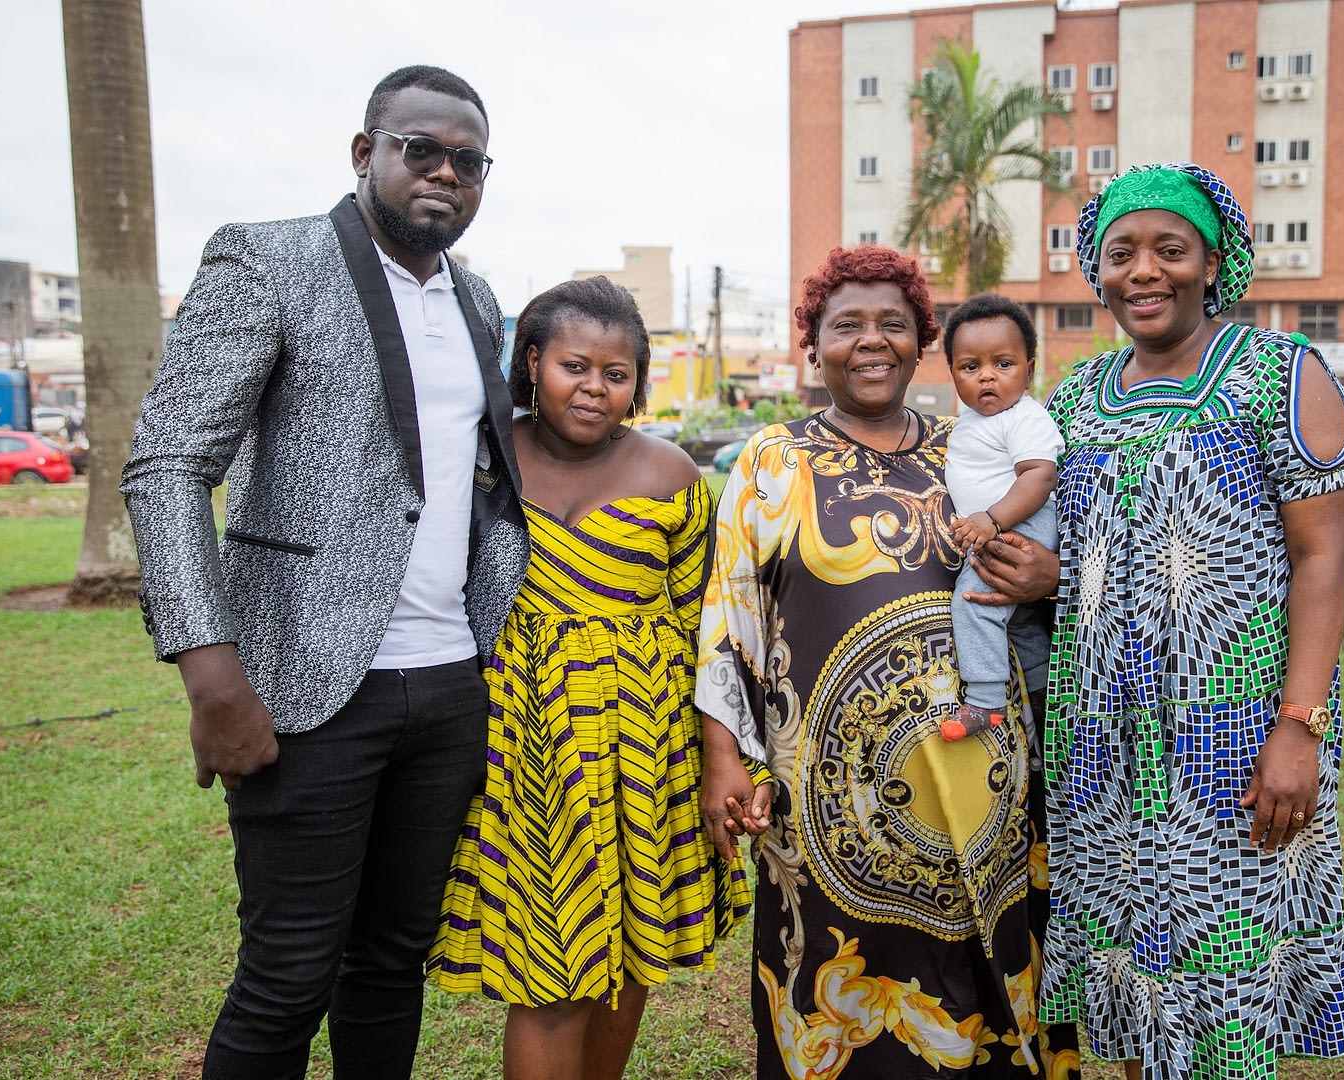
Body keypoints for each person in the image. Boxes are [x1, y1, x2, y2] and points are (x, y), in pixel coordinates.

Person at [120, 66, 527, 1079]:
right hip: (301, 686)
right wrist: (212, 673)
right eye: (419, 150)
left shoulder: (476, 297)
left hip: (446, 684)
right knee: (289, 972)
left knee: (391, 964)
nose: (445, 172)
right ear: (365, 153)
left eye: (468, 162)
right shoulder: (268, 261)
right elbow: (168, 461)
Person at [696, 244, 1081, 1078]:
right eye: (847, 325)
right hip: (825, 805)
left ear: (922, 344)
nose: (871, 341)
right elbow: (730, 617)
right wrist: (725, 757)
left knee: (985, 994)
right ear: (814, 343)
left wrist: (1053, 580)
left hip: (988, 789)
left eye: (893, 325)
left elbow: (1052, 568)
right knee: (834, 990)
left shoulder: (974, 447)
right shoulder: (771, 459)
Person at [1036, 163, 1344, 1079]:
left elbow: (1322, 559)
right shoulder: (1078, 397)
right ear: (1093, 271)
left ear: (1213, 261)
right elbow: (1092, 563)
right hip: (1102, 747)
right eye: (1122, 253)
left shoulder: (1280, 374)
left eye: (1170, 250)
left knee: (1226, 980)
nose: (1145, 271)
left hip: (1230, 740)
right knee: (1146, 986)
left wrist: (1298, 729)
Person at [427, 276, 750, 1080]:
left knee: (627, 953)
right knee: (547, 969)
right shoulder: (485, 454)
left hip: (643, 746)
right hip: (524, 743)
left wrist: (718, 755)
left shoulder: (673, 473)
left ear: (638, 382)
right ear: (532, 361)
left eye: (617, 373)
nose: (596, 388)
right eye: (576, 366)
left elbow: (702, 629)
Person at [939, 294, 1062, 743]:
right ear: (952, 372)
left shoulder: (1024, 417)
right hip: (998, 527)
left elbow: (1039, 477)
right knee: (1018, 617)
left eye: (1003, 364)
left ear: (1029, 370)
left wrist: (991, 520)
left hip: (1021, 524)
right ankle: (1044, 689)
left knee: (973, 599)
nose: (986, 375)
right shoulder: (971, 419)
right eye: (970, 367)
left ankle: (986, 702)